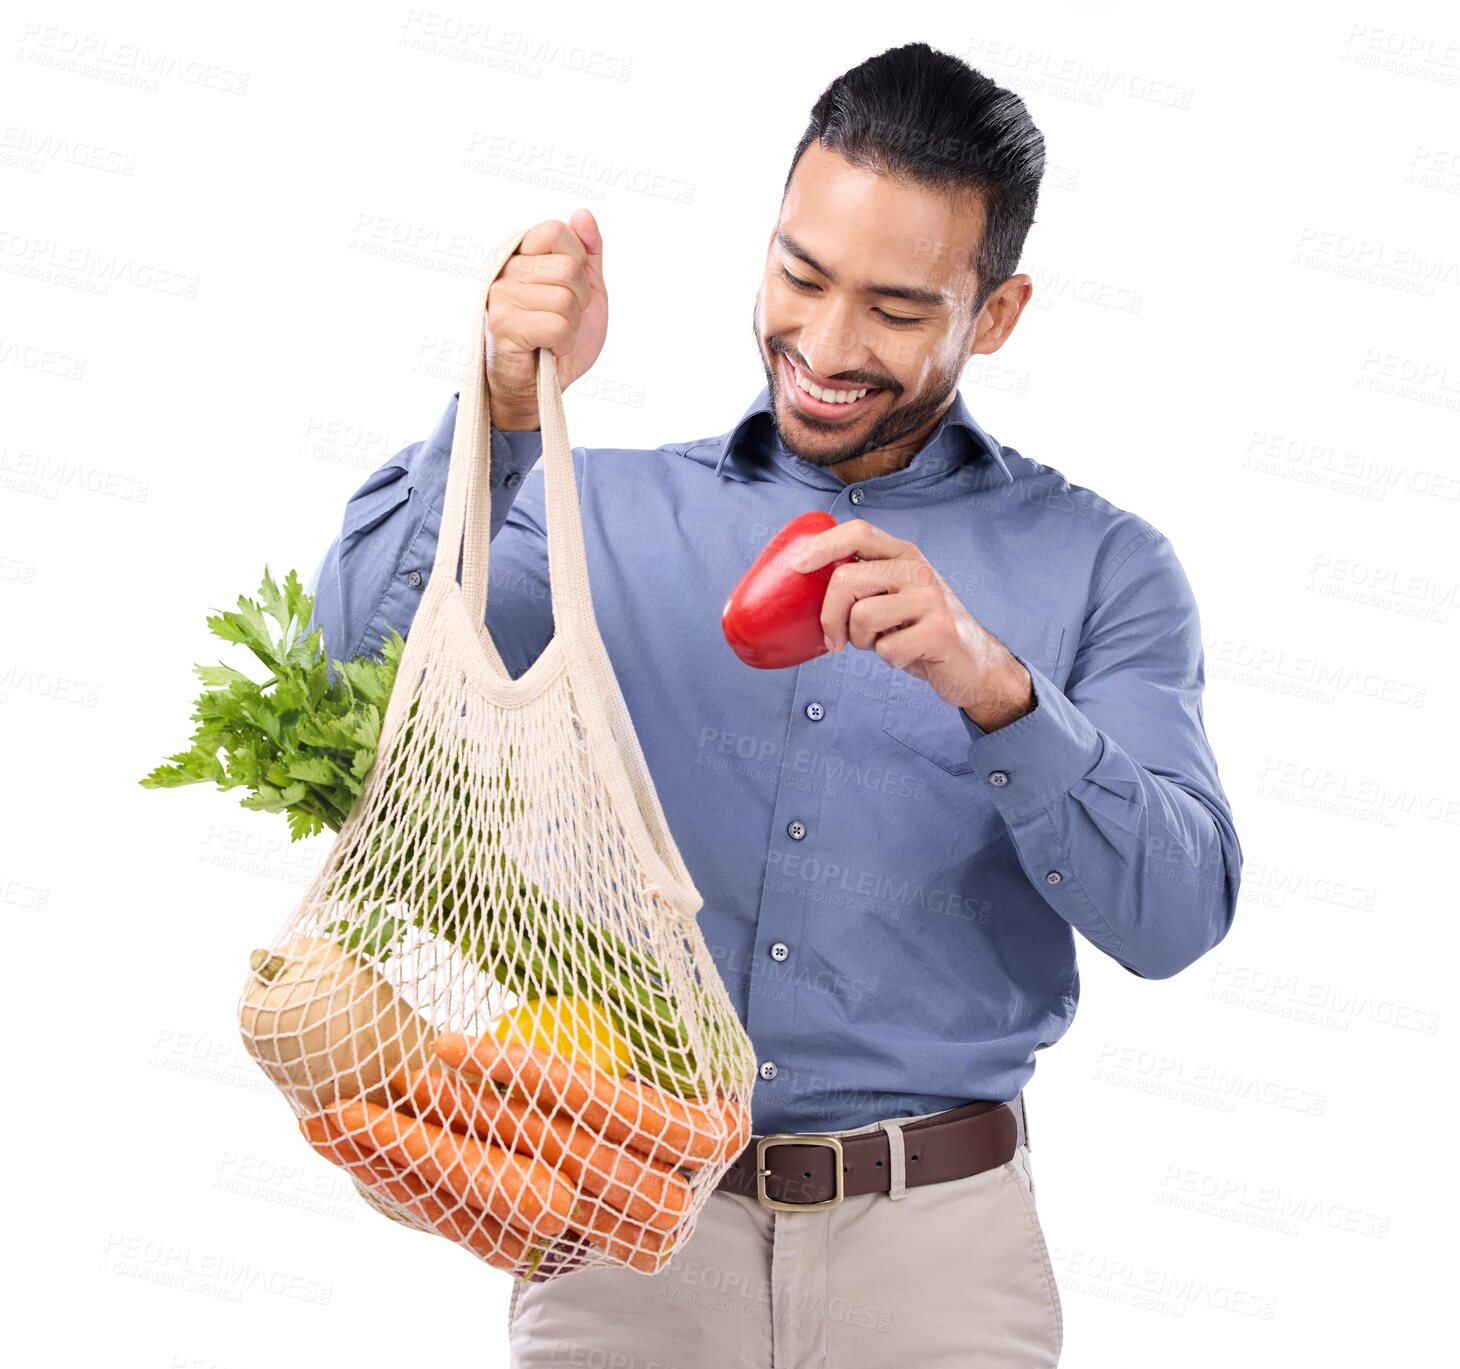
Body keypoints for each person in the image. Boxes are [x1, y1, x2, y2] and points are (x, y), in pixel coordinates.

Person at [302, 41, 1242, 1368]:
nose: (828, 344)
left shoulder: (1104, 566)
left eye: (899, 308)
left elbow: (1176, 913)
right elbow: (345, 684)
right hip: (622, 1223)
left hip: (939, 1257)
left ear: (1001, 310)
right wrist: (501, 413)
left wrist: (1002, 692)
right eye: (801, 276)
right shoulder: (594, 516)